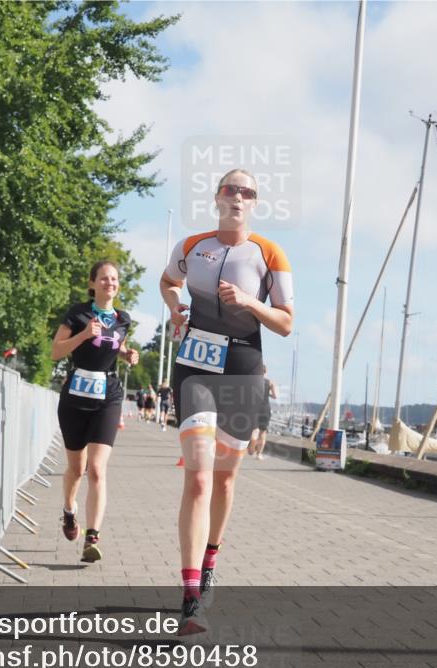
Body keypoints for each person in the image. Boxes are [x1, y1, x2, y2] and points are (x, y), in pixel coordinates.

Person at [160, 168, 293, 635]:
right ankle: (191, 593)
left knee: (224, 481)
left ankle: (210, 557)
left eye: (248, 192)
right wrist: (176, 305)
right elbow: (167, 281)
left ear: (254, 203)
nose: (238, 196)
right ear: (217, 197)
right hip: (194, 365)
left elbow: (286, 323)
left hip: (242, 370)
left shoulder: (269, 253)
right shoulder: (192, 245)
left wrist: (248, 303)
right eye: (231, 189)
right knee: (198, 478)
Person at [51, 260, 139, 562]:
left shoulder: (123, 319)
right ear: (92, 284)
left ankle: (92, 537)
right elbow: (56, 351)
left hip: (108, 395)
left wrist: (128, 354)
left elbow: (116, 346)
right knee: (77, 469)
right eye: (103, 278)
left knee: (97, 469)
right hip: (75, 395)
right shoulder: (78, 313)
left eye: (114, 279)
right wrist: (83, 335)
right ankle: (68, 508)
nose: (109, 283)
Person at [248, 367, 278, 459]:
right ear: (266, 372)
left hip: (255, 408)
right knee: (263, 432)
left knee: (254, 430)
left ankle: (251, 448)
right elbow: (275, 396)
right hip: (265, 409)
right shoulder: (270, 383)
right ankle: (259, 454)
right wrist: (267, 393)